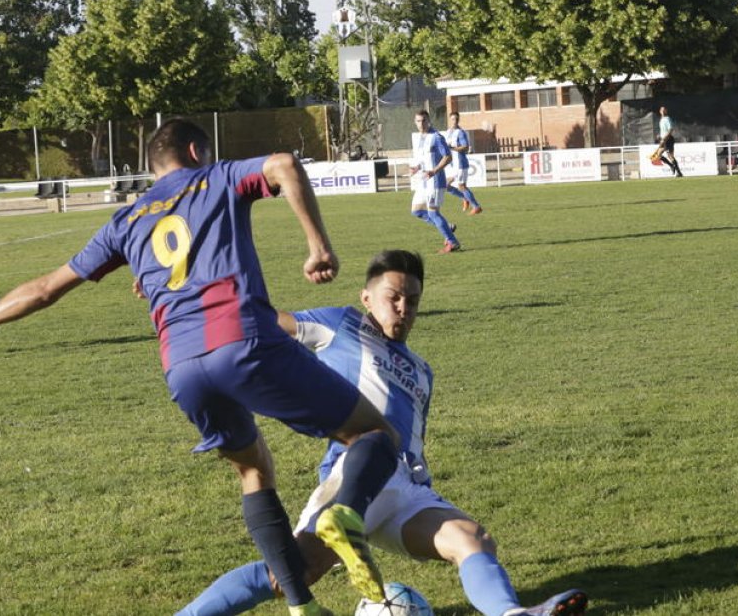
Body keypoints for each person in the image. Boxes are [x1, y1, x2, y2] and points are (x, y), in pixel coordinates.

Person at [0, 118, 403, 616]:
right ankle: (346, 515)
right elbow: (285, 165)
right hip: (242, 341)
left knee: (253, 470)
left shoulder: (128, 219)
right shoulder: (215, 177)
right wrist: (318, 246)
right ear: (197, 150)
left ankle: (302, 607)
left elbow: (46, 288)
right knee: (375, 435)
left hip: (181, 366)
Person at [177, 250, 587, 616]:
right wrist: (199, 298)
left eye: (412, 300)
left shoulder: (423, 371)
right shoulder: (340, 325)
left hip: (404, 486)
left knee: (472, 539)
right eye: (393, 297)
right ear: (367, 298)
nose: (403, 307)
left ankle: (513, 614)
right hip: (354, 474)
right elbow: (264, 324)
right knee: (288, 575)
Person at [411, 110, 461, 253]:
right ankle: (447, 228)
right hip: (424, 181)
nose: (421, 124)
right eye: (418, 121)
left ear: (429, 121)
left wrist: (434, 171)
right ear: (415, 122)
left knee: (433, 213)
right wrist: (417, 167)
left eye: (424, 121)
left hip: (435, 181)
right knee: (416, 211)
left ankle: (453, 242)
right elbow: (424, 159)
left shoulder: (436, 137)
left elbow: (448, 157)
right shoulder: (421, 138)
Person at [444, 112, 484, 215]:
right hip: (452, 164)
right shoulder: (448, 132)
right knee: (445, 186)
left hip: (460, 164)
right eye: (453, 119)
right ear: (449, 120)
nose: (455, 121)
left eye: (456, 119)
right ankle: (465, 198)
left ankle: (476, 206)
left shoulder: (460, 132)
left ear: (458, 120)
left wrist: (452, 148)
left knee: (461, 186)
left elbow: (465, 147)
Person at [656, 106, 683, 177]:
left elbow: (670, 130)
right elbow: (664, 130)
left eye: (664, 110)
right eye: (662, 110)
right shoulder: (661, 119)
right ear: (660, 111)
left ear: (666, 111)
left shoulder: (667, 119)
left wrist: (664, 138)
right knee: (658, 155)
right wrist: (660, 135)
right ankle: (672, 166)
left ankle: (679, 172)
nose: (663, 111)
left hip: (668, 139)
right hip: (663, 139)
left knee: (670, 156)